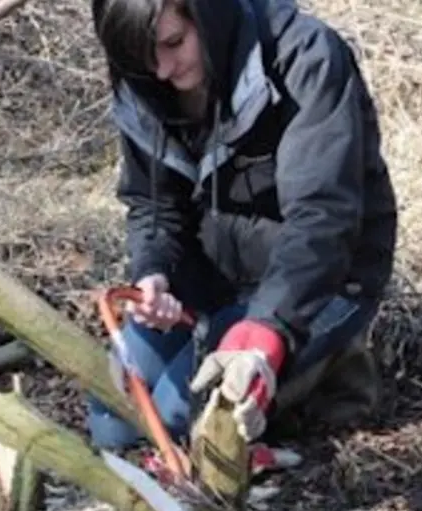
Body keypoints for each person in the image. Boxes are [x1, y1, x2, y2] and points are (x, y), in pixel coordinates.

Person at [86, 0, 398, 451]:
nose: (161, 70)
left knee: (181, 420)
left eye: (174, 44)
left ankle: (333, 363)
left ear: (205, 15)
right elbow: (153, 206)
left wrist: (268, 328)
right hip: (212, 284)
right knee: (113, 423)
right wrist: (154, 273)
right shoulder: (142, 77)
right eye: (144, 55)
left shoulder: (305, 56)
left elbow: (322, 219)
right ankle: (241, 345)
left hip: (320, 282)